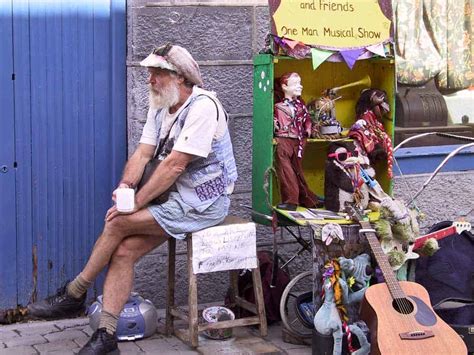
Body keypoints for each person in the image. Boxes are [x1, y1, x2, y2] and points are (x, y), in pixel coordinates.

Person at [27, 44, 237, 355]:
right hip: (175, 198)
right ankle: (106, 337)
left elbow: (175, 164)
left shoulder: (203, 107)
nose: (150, 80)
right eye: (149, 73)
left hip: (204, 202)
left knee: (118, 223)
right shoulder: (161, 106)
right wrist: (127, 185)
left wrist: (136, 203)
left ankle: (74, 293)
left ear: (180, 77)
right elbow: (143, 153)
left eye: (157, 74)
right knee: (123, 251)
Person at [273, 72, 320, 210]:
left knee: (297, 170)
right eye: (295, 84)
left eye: (299, 83)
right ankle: (291, 200)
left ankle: (307, 199)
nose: (300, 86)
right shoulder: (278, 106)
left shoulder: (301, 106)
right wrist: (274, 124)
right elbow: (274, 119)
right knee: (285, 170)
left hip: (299, 141)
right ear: (284, 87)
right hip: (284, 139)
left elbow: (307, 121)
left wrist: (309, 129)